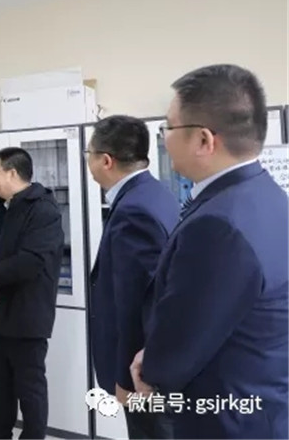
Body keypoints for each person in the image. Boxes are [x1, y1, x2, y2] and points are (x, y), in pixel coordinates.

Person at [130, 64, 288, 439]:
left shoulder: (217, 226)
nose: (164, 139)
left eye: (168, 127)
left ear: (204, 140)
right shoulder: (268, 196)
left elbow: (184, 338)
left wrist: (152, 366)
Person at [86, 115, 178, 439]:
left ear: (106, 160)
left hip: (142, 374)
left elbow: (136, 303)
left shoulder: (133, 211)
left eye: (89, 154)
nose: (88, 163)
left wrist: (127, 379)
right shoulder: (156, 192)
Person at [0, 147, 64, 440]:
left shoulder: (43, 210)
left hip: (27, 318)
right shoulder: (8, 207)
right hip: (0, 315)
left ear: (12, 173)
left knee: (30, 391)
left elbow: (30, 261)